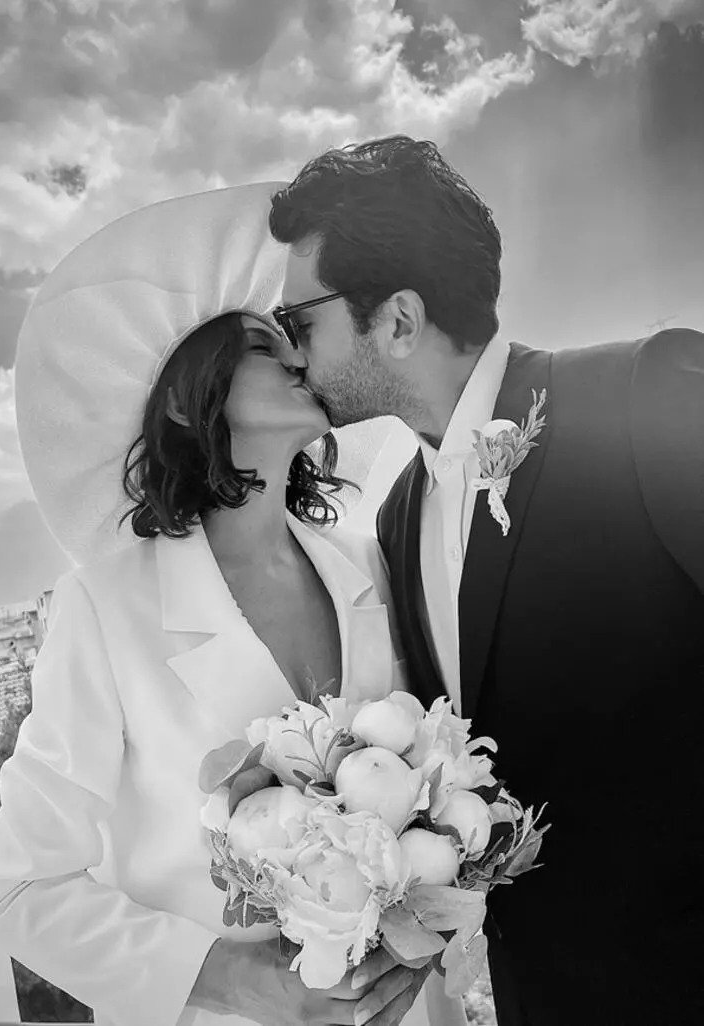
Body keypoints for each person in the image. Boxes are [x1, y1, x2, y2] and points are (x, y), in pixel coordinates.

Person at [0, 183, 460, 1026]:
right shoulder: (104, 606)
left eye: (293, 335)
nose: (298, 353)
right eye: (262, 345)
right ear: (183, 398)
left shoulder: (367, 564)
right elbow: (23, 889)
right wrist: (236, 981)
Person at [268, 136, 704, 1026]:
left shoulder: (641, 395)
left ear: (398, 320)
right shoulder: (396, 521)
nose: (292, 357)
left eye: (299, 323)